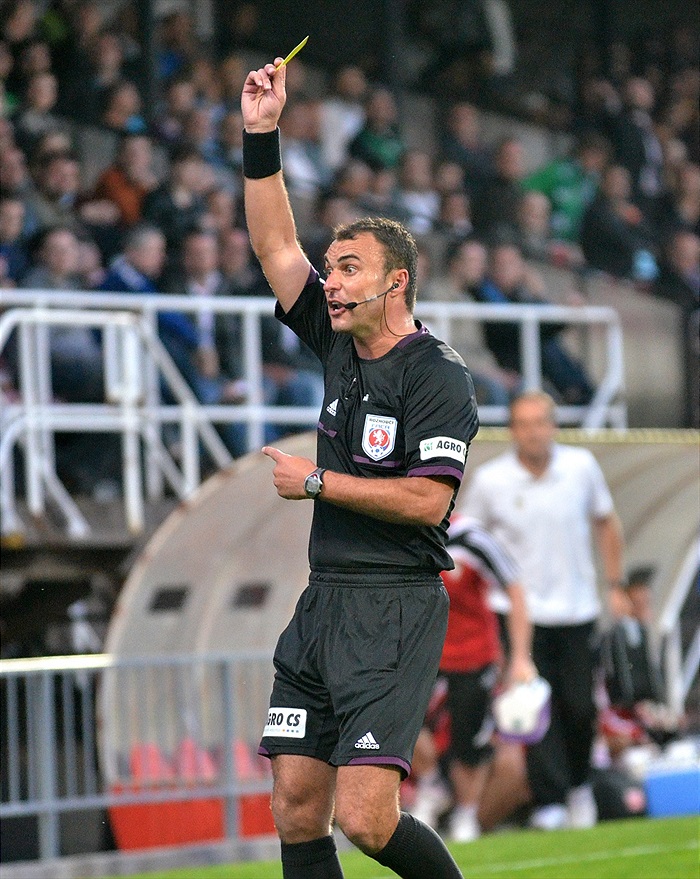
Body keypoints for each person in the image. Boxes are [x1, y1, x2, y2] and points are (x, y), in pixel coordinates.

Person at [242, 54, 478, 879]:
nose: (330, 284)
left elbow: (426, 501)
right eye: (331, 269)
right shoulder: (336, 341)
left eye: (348, 270)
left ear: (396, 282)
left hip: (394, 606)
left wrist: (316, 481)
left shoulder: (436, 374)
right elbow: (274, 242)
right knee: (297, 808)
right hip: (324, 601)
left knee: (366, 819)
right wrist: (260, 136)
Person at [461, 390, 627, 831]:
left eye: (540, 421)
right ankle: (550, 800)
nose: (533, 431)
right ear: (513, 429)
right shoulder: (492, 481)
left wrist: (614, 584)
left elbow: (606, 522)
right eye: (524, 423)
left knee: (579, 706)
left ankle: (578, 785)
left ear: (554, 424)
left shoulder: (581, 468)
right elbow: (466, 539)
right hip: (517, 615)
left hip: (577, 608)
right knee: (535, 707)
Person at [409, 513, 536, 841]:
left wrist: (520, 656)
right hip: (426, 653)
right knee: (405, 723)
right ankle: (433, 783)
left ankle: (466, 814)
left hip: (474, 657)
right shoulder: (400, 534)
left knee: (470, 742)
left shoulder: (474, 539)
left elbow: (516, 588)